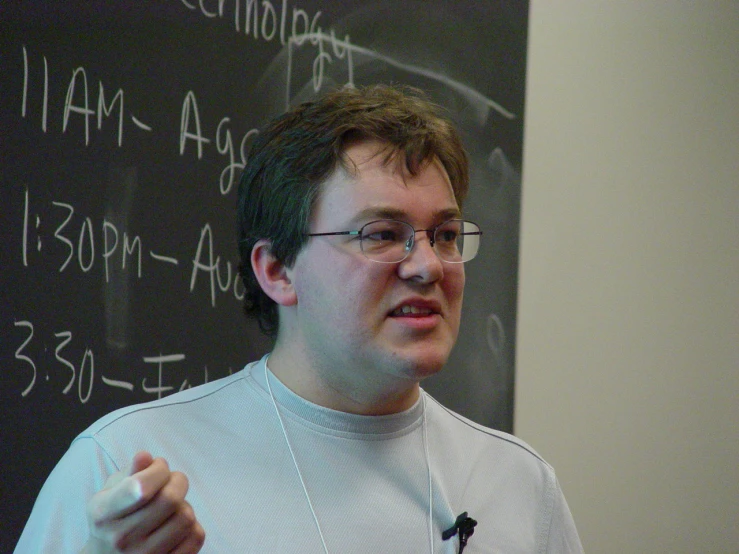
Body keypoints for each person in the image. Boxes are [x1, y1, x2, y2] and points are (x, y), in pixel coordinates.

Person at [16, 84, 583, 553]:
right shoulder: (127, 475)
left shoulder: (518, 485)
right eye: (383, 235)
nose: (428, 266)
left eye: (446, 236)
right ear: (278, 270)